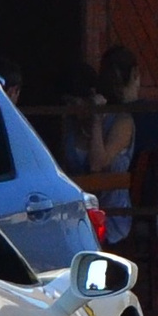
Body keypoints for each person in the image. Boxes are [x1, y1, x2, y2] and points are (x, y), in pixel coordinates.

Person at [61, 45, 137, 244]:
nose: (72, 109)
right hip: (76, 213)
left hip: (109, 216)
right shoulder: (69, 125)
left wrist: (96, 121)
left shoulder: (121, 122)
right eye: (67, 103)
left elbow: (97, 163)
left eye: (76, 103)